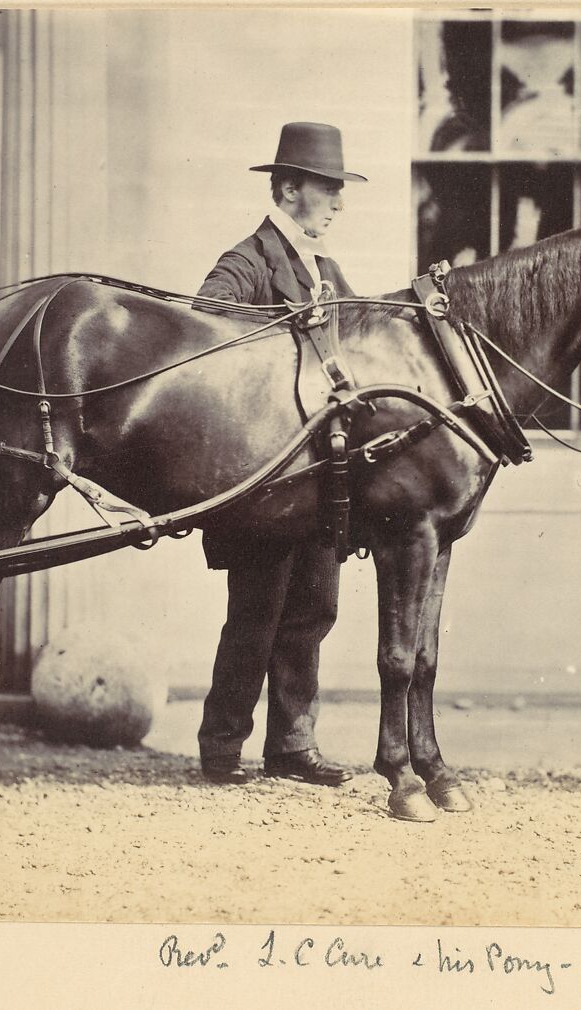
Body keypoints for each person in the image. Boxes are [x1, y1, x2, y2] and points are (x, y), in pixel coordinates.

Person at [195, 122, 366, 787]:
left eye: (338, 189)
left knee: (315, 606)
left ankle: (292, 744)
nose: (336, 202)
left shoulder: (325, 267)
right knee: (257, 613)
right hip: (265, 481)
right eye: (327, 188)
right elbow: (205, 329)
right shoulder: (248, 260)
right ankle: (222, 747)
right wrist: (293, 330)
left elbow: (355, 341)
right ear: (288, 188)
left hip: (322, 475)